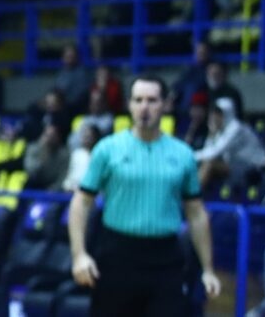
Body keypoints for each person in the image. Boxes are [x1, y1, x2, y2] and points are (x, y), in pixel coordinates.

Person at [69, 76, 221, 315]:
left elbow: (197, 214)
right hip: (116, 257)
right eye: (138, 100)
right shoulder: (107, 150)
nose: (144, 107)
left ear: (164, 105)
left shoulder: (183, 155)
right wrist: (79, 255)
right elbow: (81, 203)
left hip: (166, 261)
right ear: (129, 105)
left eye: (152, 100)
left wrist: (208, 269)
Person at [194, 96, 265, 191]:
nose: (215, 116)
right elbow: (208, 151)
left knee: (209, 164)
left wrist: (189, 157)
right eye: (214, 113)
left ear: (227, 113)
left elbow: (214, 153)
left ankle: (192, 197)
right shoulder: (220, 129)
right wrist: (211, 135)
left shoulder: (235, 128)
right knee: (200, 164)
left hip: (253, 167)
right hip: (234, 165)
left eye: (219, 113)